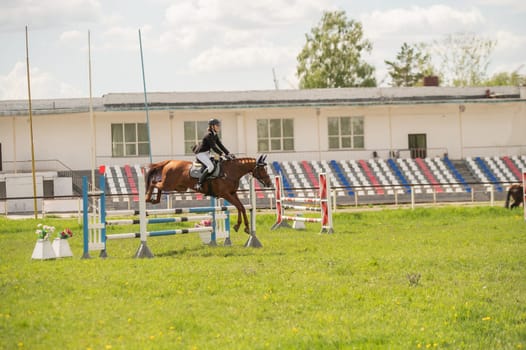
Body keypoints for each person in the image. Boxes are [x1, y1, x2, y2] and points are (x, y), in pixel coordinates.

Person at [193, 118, 234, 190]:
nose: (219, 127)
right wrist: (223, 154)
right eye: (217, 125)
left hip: (206, 153)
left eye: (219, 125)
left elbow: (220, 145)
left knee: (219, 161)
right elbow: (214, 147)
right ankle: (199, 183)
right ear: (212, 126)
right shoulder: (209, 135)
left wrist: (228, 153)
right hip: (201, 154)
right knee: (210, 166)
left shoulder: (215, 135)